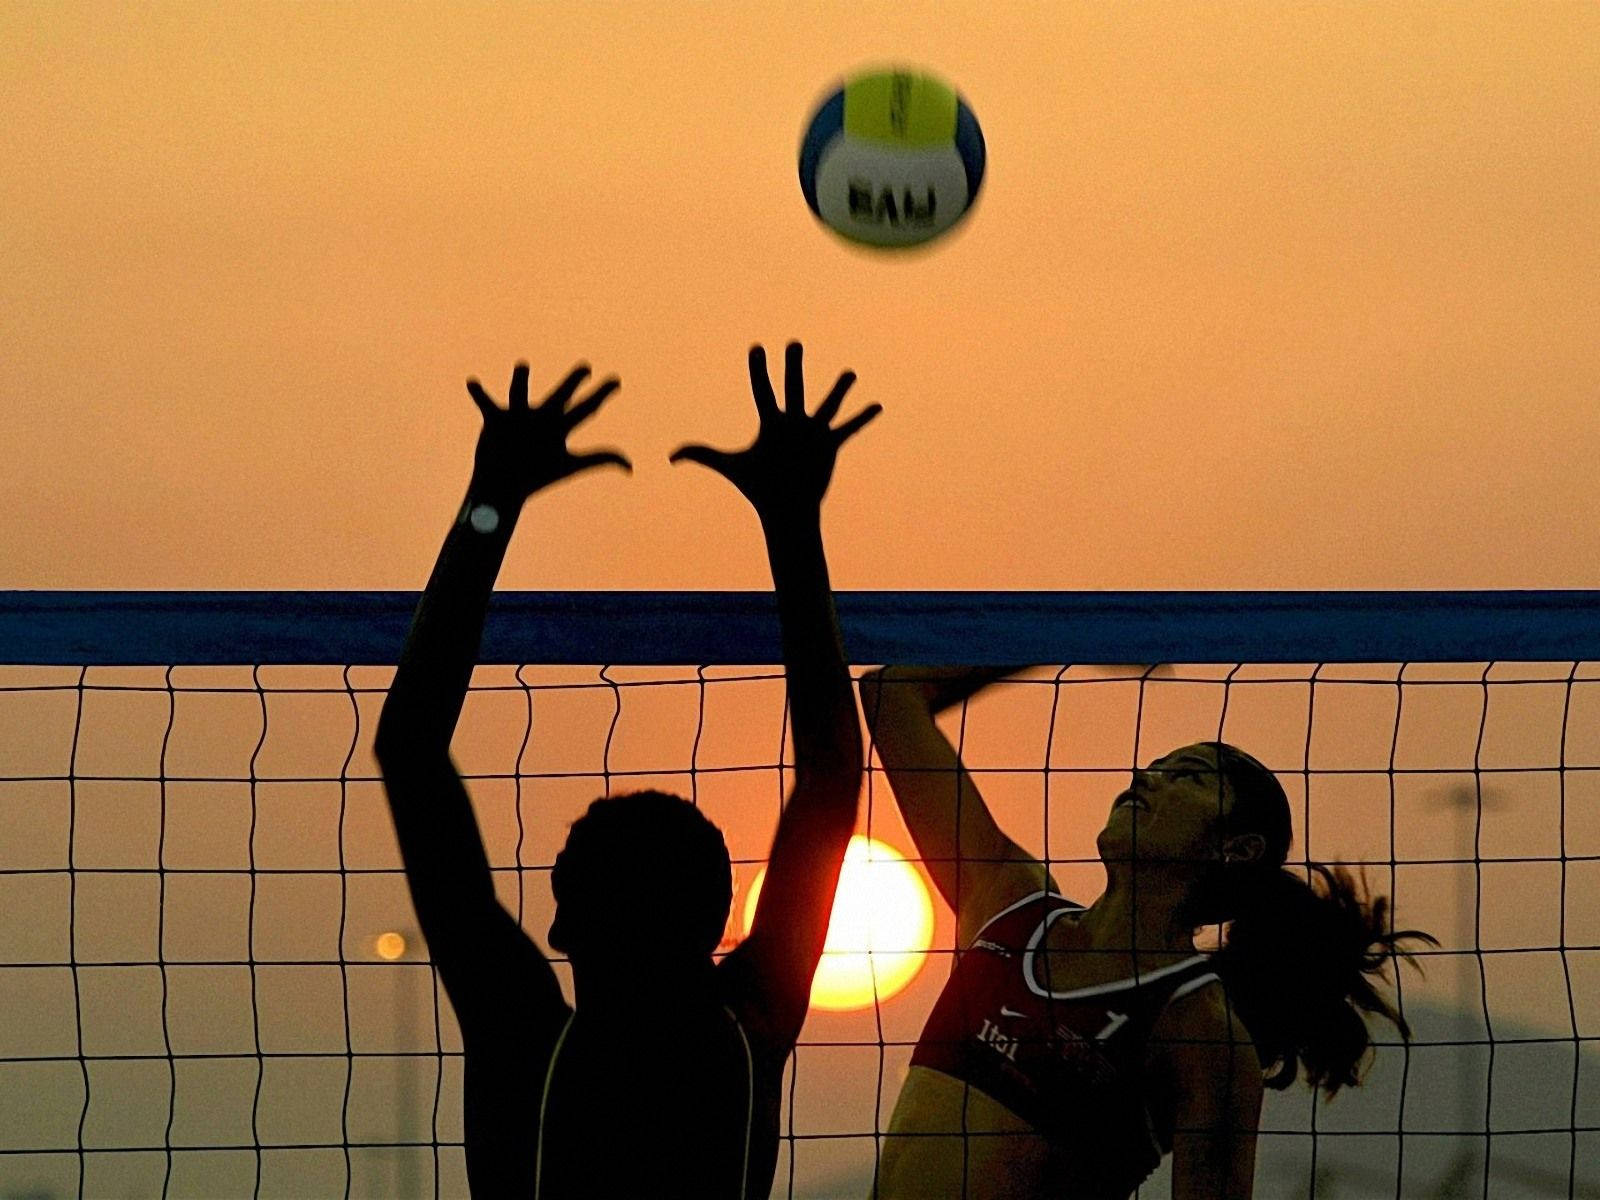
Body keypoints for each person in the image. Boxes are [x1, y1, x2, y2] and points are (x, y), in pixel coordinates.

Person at [373, 343, 881, 1198]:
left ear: (566, 931)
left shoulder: (524, 1039)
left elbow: (410, 748)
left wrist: (491, 501)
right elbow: (833, 776)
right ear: (719, 922)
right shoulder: (747, 1031)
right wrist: (794, 521)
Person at [860, 666, 1436, 1200]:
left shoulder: (1201, 1028)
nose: (1146, 778)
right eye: (1155, 767)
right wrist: (1052, 638)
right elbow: (890, 696)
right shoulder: (1008, 901)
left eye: (1185, 776)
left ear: (1237, 849)